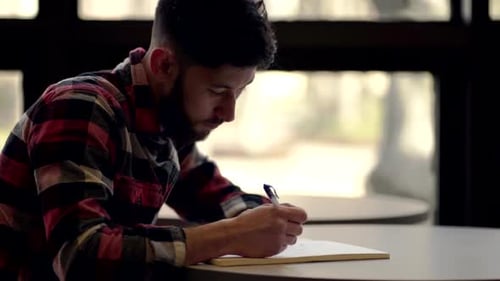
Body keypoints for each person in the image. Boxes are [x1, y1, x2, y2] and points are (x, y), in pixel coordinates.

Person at [0, 0, 308, 280]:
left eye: (240, 91)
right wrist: (231, 235)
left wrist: (270, 218)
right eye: (218, 92)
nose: (229, 114)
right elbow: (81, 256)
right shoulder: (80, 107)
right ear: (164, 65)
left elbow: (214, 195)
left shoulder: (167, 123)